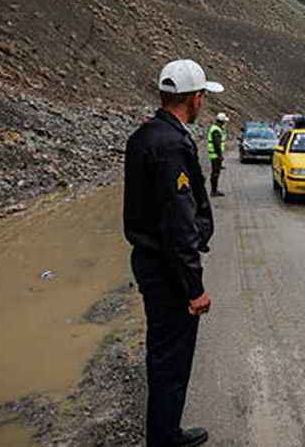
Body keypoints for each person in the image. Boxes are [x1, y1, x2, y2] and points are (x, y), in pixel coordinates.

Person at [123, 59, 223, 447]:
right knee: (171, 359)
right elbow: (178, 225)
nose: (203, 105)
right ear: (194, 98)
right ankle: (164, 439)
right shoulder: (170, 146)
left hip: (152, 263)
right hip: (167, 271)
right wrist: (194, 288)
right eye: (202, 98)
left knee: (163, 354)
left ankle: (164, 432)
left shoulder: (144, 136)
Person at [207, 112, 228, 197]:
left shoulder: (216, 128)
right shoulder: (216, 130)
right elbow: (217, 144)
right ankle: (213, 191)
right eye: (224, 121)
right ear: (221, 121)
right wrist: (220, 156)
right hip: (215, 155)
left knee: (215, 172)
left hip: (214, 155)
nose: (225, 123)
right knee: (215, 173)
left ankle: (214, 190)